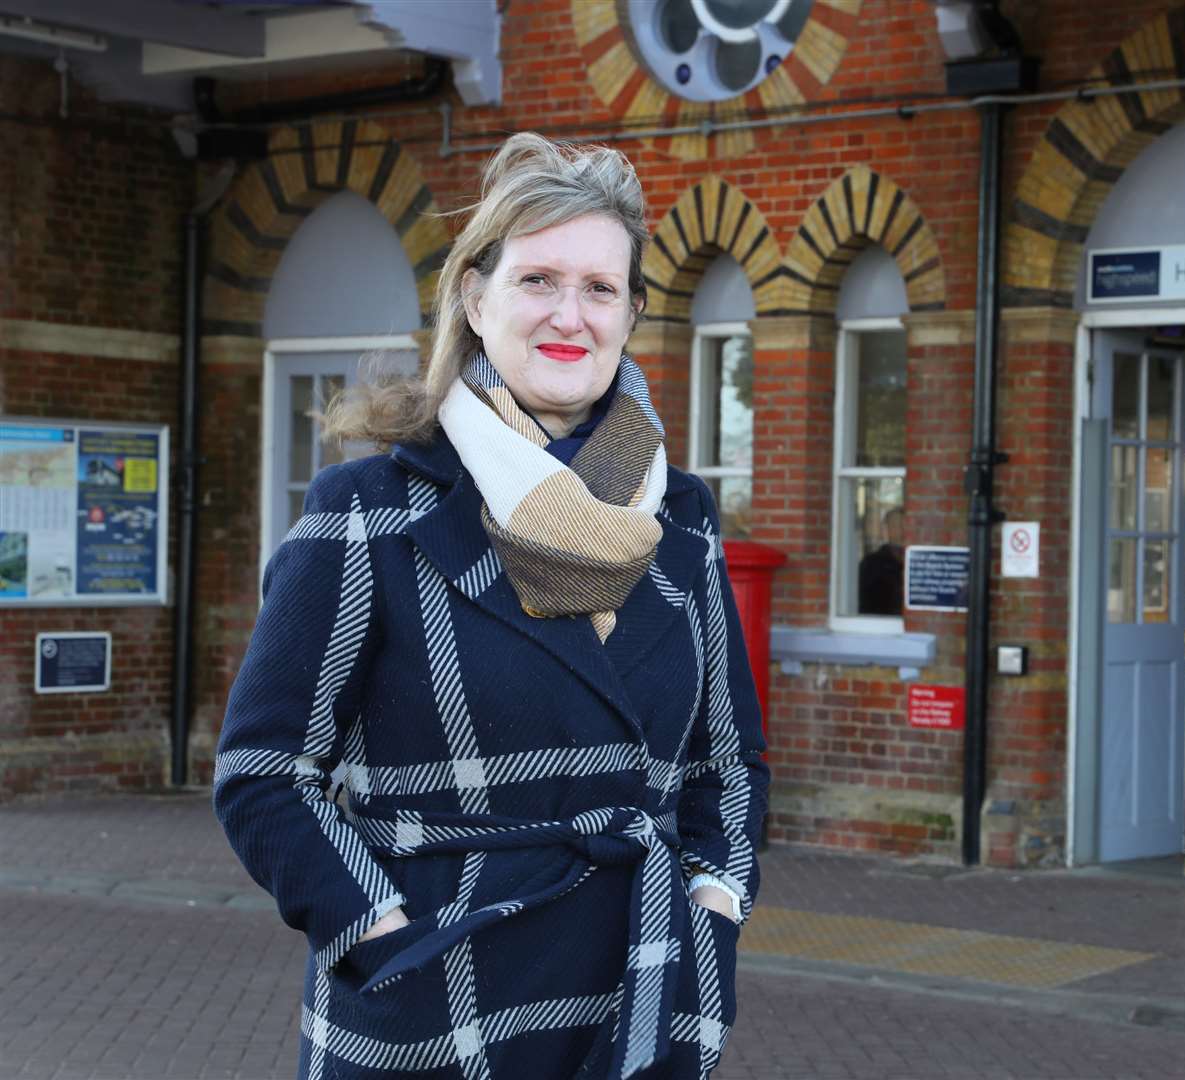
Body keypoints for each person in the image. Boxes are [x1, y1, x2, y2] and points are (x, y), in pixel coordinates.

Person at [214, 133, 769, 1079]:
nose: (570, 315)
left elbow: (731, 758)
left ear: (633, 313)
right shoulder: (371, 510)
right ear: (476, 298)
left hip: (641, 991)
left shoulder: (680, 516)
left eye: (600, 289)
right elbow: (264, 770)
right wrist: (377, 931)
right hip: (437, 1004)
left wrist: (714, 901)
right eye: (538, 280)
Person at [857, 508, 905, 615]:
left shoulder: (916, 561)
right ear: (887, 529)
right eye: (896, 526)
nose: (901, 530)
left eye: (904, 525)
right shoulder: (871, 564)